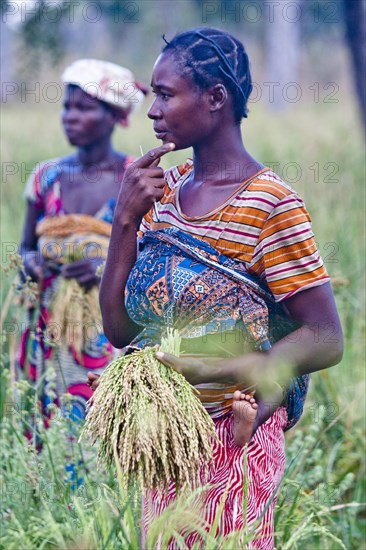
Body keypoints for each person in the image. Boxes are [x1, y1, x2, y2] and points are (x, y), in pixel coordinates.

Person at [97, 28, 343, 548]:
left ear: (215, 99)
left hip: (236, 443)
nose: (152, 111)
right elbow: (120, 331)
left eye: (166, 94)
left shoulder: (269, 204)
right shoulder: (162, 194)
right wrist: (123, 220)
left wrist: (232, 368)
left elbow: (325, 336)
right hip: (168, 442)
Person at [19, 59, 147, 425]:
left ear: (114, 116)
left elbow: (154, 256)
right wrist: (31, 263)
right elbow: (25, 246)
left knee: (103, 423)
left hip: (109, 331)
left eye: (85, 108)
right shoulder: (47, 177)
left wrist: (104, 270)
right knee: (46, 424)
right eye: (67, 106)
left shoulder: (135, 179)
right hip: (48, 329)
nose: (70, 117)